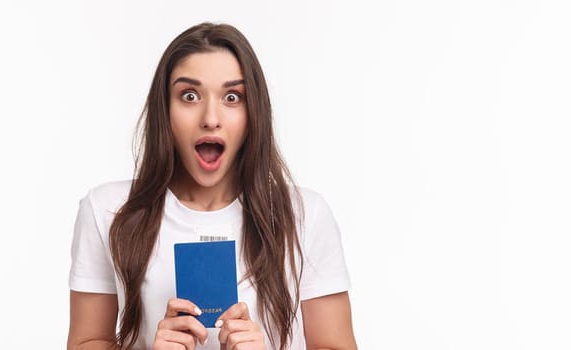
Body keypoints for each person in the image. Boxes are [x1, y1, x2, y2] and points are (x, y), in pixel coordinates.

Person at [67, 22, 356, 350]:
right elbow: (87, 341)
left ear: (253, 113)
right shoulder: (107, 210)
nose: (210, 118)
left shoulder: (305, 215)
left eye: (232, 97)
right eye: (189, 96)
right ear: (165, 110)